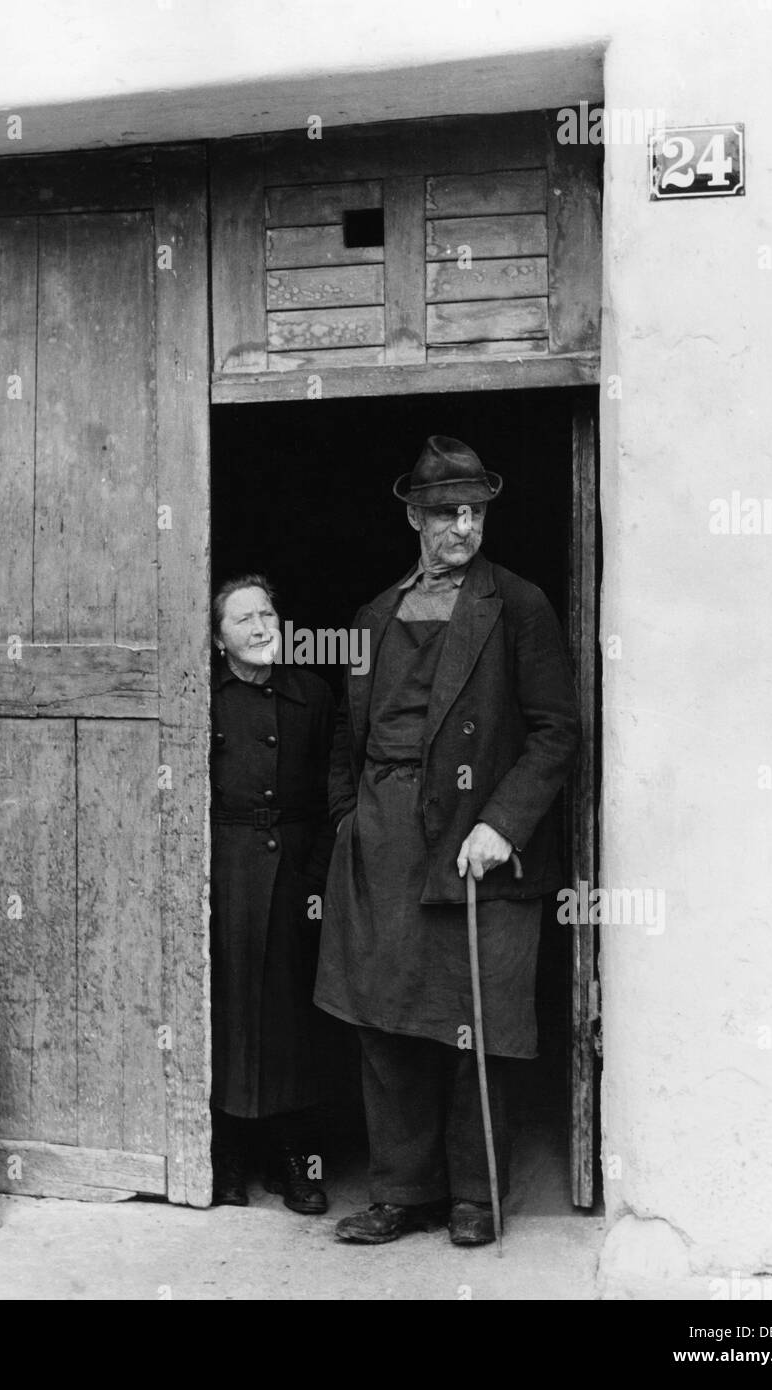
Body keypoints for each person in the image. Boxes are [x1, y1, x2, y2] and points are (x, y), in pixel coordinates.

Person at [314, 437, 581, 1246]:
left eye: (474, 511)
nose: (463, 526)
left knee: (477, 1023)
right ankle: (404, 1192)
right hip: (382, 844)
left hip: (478, 843)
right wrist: (350, 822)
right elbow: (346, 736)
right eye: (446, 513)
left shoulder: (519, 606)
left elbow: (556, 731)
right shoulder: (374, 615)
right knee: (385, 1021)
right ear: (414, 519)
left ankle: (474, 1196)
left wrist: (502, 824)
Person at [209, 574, 335, 1214]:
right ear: (218, 640)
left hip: (295, 869)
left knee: (292, 1014)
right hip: (226, 867)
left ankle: (294, 1159)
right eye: (244, 620)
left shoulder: (312, 695)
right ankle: (228, 1156)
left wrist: (315, 873)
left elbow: (334, 791)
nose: (261, 628)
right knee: (227, 1009)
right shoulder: (201, 697)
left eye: (267, 614)